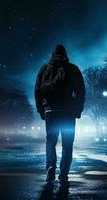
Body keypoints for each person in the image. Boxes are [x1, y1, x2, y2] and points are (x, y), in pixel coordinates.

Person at [34, 44, 85, 186]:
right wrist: (77, 110)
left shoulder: (45, 69)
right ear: (65, 54)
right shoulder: (73, 69)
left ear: (52, 54)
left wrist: (41, 110)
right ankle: (63, 174)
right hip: (68, 113)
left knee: (51, 141)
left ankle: (50, 167)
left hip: (51, 112)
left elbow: (37, 91)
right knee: (67, 144)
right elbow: (80, 91)